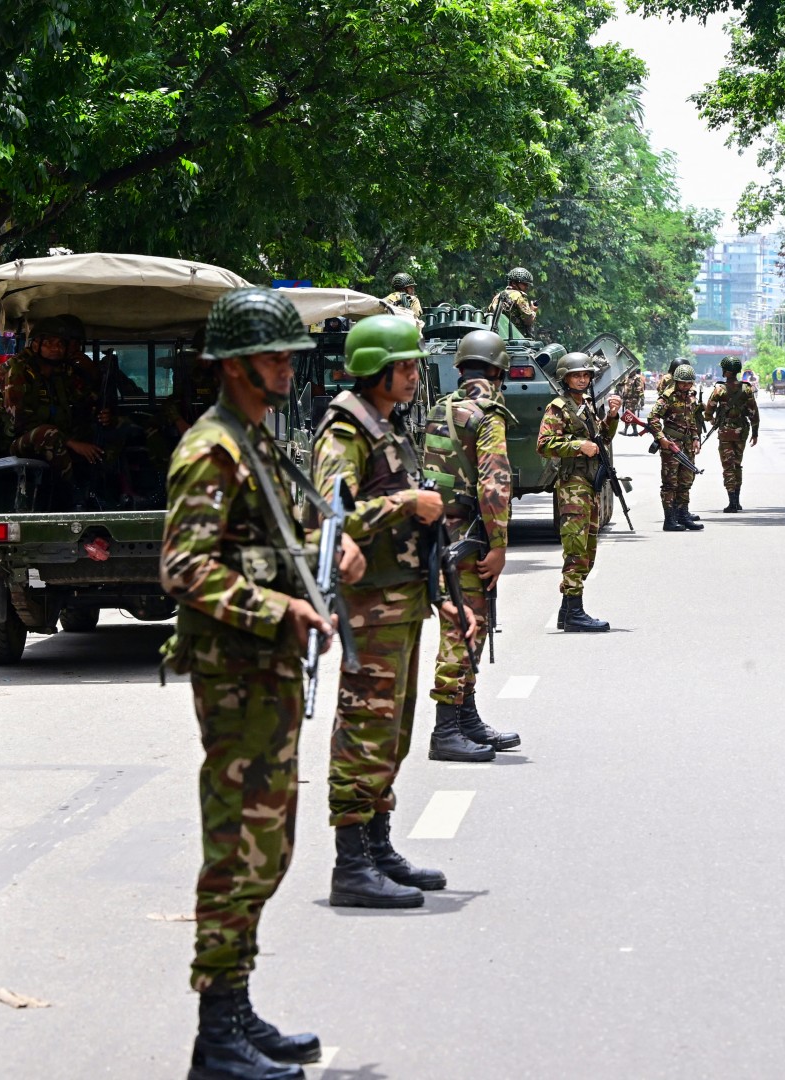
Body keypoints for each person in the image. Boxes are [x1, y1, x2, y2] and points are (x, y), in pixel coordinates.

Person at [160, 287, 364, 1080]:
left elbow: (278, 534)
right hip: (236, 677)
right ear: (239, 365)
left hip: (265, 672)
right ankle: (216, 1034)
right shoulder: (211, 449)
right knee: (238, 848)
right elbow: (183, 568)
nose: (288, 369)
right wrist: (275, 606)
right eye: (277, 357)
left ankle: (236, 1006)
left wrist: (329, 549)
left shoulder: (256, 442)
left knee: (267, 845)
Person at [312, 314, 471, 910]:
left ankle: (378, 848)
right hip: (369, 605)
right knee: (364, 729)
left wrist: (448, 603)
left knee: (394, 731)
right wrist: (409, 500)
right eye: (404, 366)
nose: (413, 375)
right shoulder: (345, 430)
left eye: (413, 366)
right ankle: (350, 864)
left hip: (401, 600)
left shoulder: (388, 423)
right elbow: (330, 519)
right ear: (376, 368)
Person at [421, 329, 520, 760]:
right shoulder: (487, 414)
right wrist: (498, 545)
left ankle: (467, 719)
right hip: (472, 537)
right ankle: (447, 729)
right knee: (463, 628)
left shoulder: (440, 409)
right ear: (498, 372)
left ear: (460, 368)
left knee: (469, 624)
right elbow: (495, 484)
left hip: (444, 535)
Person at [536, 352, 620, 631]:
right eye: (577, 375)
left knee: (588, 548)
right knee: (576, 549)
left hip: (588, 485)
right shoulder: (558, 407)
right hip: (573, 486)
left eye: (586, 375)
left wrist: (612, 416)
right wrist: (577, 446)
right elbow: (544, 444)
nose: (583, 379)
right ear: (565, 378)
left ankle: (566, 610)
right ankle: (574, 613)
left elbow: (601, 439)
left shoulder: (585, 404)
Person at [2, 315, 101, 481]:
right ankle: (70, 495)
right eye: (49, 343)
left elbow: (84, 399)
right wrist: (70, 442)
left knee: (99, 430)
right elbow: (20, 422)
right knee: (49, 434)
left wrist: (101, 413)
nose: (56, 349)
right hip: (20, 441)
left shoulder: (62, 373)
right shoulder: (19, 372)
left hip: (58, 436)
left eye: (61, 344)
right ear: (35, 345)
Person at [646, 364, 707, 532]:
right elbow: (653, 418)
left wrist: (695, 438)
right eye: (683, 383)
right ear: (676, 381)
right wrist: (661, 438)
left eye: (689, 383)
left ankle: (683, 515)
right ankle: (670, 519)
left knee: (686, 481)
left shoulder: (691, 396)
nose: (686, 386)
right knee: (670, 483)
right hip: (671, 445)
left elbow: (692, 419)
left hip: (687, 445)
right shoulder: (667, 397)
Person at [703, 357, 761, 512]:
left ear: (727, 371)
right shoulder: (746, 389)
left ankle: (732, 502)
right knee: (736, 465)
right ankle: (737, 500)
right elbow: (754, 413)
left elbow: (708, 412)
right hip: (742, 432)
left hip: (726, 433)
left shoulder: (719, 390)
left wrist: (713, 419)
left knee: (728, 466)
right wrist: (755, 433)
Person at [484, 267, 539, 338]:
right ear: (513, 283)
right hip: (514, 338)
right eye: (524, 284)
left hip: (495, 336)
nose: (527, 286)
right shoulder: (518, 296)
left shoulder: (498, 296)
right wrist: (533, 311)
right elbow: (528, 320)